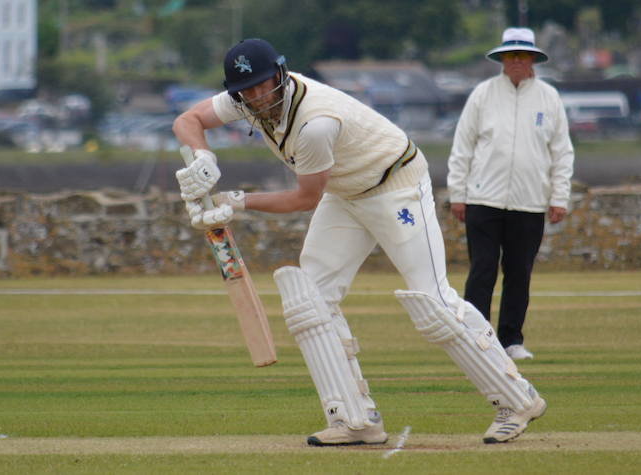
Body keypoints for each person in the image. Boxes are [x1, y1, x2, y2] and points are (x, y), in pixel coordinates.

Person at [173, 38, 546, 446]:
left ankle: (518, 399)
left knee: (433, 303)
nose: (259, 97)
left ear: (280, 74)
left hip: (395, 187)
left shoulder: (315, 123)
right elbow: (188, 120)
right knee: (310, 300)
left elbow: (304, 199)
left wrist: (237, 202)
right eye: (249, 90)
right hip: (346, 193)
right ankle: (355, 419)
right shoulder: (244, 100)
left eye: (265, 84)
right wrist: (203, 157)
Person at [447, 27, 575, 361]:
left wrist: (559, 197)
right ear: (502, 58)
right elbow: (463, 147)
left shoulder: (549, 98)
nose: (516, 61)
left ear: (533, 58)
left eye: (522, 55)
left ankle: (511, 341)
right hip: (482, 200)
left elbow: (562, 153)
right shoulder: (483, 94)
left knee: (519, 273)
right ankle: (476, 337)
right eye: (510, 55)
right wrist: (457, 193)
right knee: (483, 269)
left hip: (530, 203)